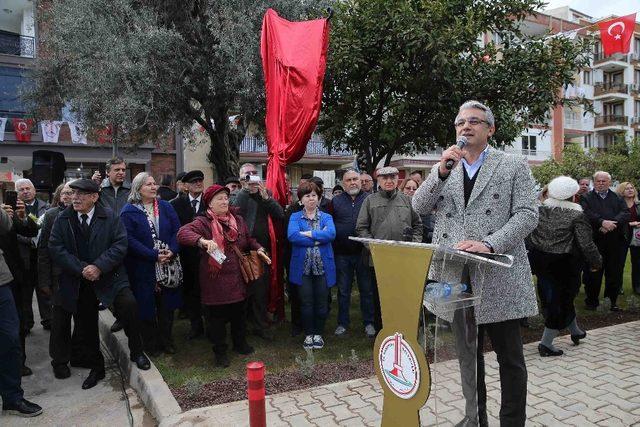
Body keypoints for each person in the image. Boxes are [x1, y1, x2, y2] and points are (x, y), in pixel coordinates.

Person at [412, 100, 539, 426]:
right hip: (457, 275)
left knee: (510, 358)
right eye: (460, 123)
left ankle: (512, 422)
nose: (465, 127)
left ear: (490, 129)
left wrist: (489, 243)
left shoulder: (512, 165)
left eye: (474, 122)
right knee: (469, 357)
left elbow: (527, 214)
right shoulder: (445, 167)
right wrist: (440, 172)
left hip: (498, 275)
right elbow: (419, 205)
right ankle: (475, 418)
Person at [48, 179, 149, 390]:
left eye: (81, 194)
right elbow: (56, 247)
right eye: (74, 193)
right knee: (86, 325)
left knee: (129, 306)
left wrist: (99, 267)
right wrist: (82, 268)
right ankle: (97, 367)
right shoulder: (63, 218)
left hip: (110, 277)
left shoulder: (110, 217)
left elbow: (120, 245)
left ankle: (137, 351)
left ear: (94, 197)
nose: (75, 198)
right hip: (80, 280)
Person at [177, 185, 271, 367]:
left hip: (237, 277)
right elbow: (182, 233)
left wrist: (258, 248)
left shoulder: (238, 219)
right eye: (219, 198)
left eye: (226, 198)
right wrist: (202, 241)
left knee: (239, 313)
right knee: (216, 318)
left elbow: (248, 239)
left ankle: (240, 344)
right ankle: (220, 352)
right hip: (215, 280)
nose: (224, 201)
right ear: (209, 204)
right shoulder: (203, 222)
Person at [527, 176, 601, 357]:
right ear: (573, 196)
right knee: (561, 300)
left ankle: (575, 331)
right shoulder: (577, 215)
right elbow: (586, 244)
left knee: (554, 297)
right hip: (564, 264)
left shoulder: (539, 210)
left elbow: (528, 235)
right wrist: (596, 261)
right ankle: (546, 344)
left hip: (540, 261)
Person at [120, 173, 182, 356]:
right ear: (138, 189)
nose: (154, 187)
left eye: (154, 183)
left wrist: (172, 250)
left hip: (167, 264)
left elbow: (177, 230)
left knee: (167, 307)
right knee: (146, 307)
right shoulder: (128, 211)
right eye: (149, 184)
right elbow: (129, 240)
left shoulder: (165, 207)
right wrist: (152, 255)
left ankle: (167, 341)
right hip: (143, 267)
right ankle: (150, 344)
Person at [356, 166, 422, 332]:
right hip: (379, 260)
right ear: (378, 180)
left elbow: (418, 225)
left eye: (392, 177)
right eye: (384, 178)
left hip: (404, 258)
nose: (389, 180)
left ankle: (404, 331)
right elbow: (361, 227)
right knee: (381, 299)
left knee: (404, 296)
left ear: (397, 179)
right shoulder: (369, 201)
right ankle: (382, 334)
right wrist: (372, 246)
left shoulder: (407, 200)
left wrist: (413, 244)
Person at [0, 204, 43, 417]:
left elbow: (18, 228)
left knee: (11, 339)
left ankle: (12, 397)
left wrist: (15, 214)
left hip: (3, 282)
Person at [233, 163, 284, 339]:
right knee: (242, 290)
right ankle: (242, 325)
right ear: (241, 178)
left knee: (260, 290)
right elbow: (234, 213)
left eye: (254, 173)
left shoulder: (265, 193)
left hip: (261, 249)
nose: (252, 176)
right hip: (240, 249)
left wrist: (265, 198)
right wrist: (246, 190)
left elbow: (279, 214)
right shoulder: (236, 194)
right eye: (247, 174)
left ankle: (260, 325)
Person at [288, 182, 336, 350]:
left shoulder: (326, 217)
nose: (311, 199)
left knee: (322, 302)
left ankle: (318, 333)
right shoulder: (294, 217)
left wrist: (309, 234)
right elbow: (293, 236)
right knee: (306, 302)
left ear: (319, 198)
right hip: (303, 269)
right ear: (301, 199)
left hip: (323, 267)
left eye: (314, 195)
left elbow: (331, 234)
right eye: (307, 196)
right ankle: (309, 334)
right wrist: (318, 238)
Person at [330, 169, 374, 338]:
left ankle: (369, 323)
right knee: (343, 291)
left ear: (361, 181)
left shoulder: (369, 199)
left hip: (364, 253)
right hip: (342, 253)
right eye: (348, 180)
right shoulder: (336, 201)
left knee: (366, 290)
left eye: (355, 179)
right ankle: (342, 323)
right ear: (343, 183)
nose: (353, 182)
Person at [580, 171, 629, 311]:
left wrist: (611, 224)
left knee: (614, 273)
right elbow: (586, 213)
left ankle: (611, 302)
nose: (601, 183)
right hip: (595, 242)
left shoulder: (618, 197)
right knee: (593, 273)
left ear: (609, 182)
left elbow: (624, 213)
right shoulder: (586, 197)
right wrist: (601, 222)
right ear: (593, 182)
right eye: (598, 181)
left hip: (615, 241)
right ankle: (591, 302)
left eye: (604, 181)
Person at [1, 198, 38, 377]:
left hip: (16, 275)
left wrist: (23, 216)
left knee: (18, 321)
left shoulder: (9, 212)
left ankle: (19, 362)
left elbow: (32, 229)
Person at [170, 170, 206, 339]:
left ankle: (212, 323)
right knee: (190, 291)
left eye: (200, 180)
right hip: (185, 256)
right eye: (194, 182)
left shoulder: (210, 201)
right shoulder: (175, 204)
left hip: (207, 255)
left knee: (208, 290)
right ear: (185, 186)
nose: (198, 183)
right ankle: (196, 325)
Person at [15, 178, 51, 332]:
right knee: (25, 292)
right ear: (17, 193)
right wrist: (29, 239)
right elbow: (12, 231)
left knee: (44, 290)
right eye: (21, 189)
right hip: (23, 257)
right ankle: (26, 323)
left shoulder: (46, 207)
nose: (25, 191)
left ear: (34, 190)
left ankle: (48, 320)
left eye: (28, 188)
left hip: (42, 256)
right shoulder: (12, 210)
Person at [616, 181, 640, 295]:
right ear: (621, 191)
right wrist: (630, 224)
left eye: (632, 188)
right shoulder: (618, 205)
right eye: (627, 188)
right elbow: (615, 220)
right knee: (619, 263)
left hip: (637, 236)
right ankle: (618, 286)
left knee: (637, 262)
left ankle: (637, 286)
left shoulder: (638, 204)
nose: (630, 190)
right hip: (622, 236)